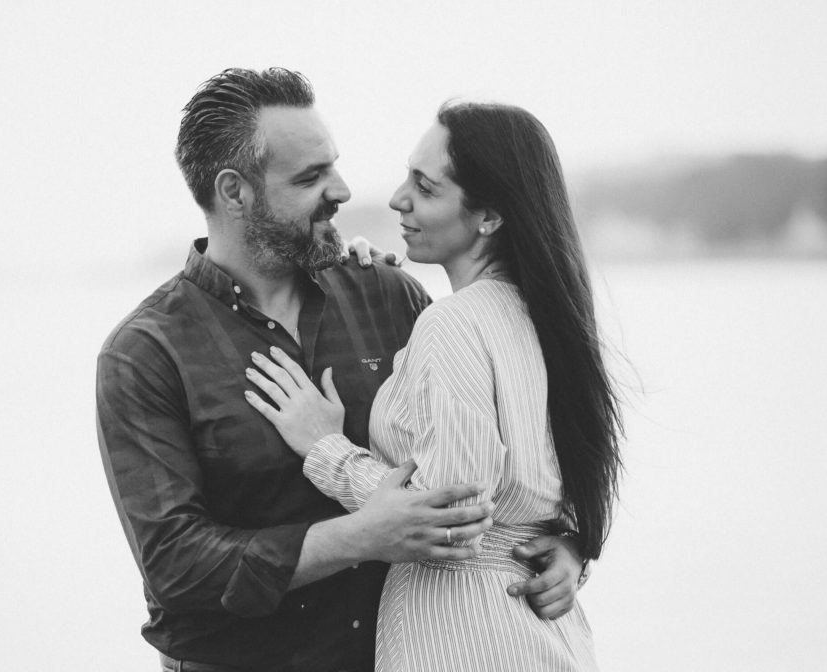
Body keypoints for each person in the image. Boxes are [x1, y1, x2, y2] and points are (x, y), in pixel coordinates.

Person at [96, 67, 588, 672]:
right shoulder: (146, 352)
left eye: (333, 164)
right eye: (311, 177)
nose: (344, 190)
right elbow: (177, 566)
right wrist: (363, 535)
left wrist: (567, 544)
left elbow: (510, 447)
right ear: (234, 192)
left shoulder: (390, 297)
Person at [246, 101, 623, 671]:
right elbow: (546, 489)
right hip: (545, 639)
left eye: (424, 187)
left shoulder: (453, 323)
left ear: (489, 217)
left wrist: (325, 450)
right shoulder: (546, 318)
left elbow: (451, 519)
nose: (398, 199)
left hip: (463, 638)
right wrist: (571, 545)